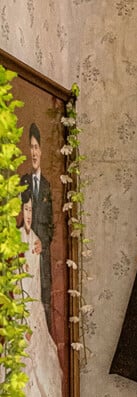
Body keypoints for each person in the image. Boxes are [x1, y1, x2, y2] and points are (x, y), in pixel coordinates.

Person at [1, 190, 64, 397]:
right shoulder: (15, 242)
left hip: (34, 306)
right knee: (22, 368)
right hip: (22, 309)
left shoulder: (35, 240)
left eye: (30, 211)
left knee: (42, 360)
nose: (28, 215)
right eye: (24, 210)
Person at [21, 122, 54, 330]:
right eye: (30, 148)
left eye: (36, 148)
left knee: (44, 303)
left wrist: (44, 243)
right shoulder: (23, 181)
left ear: (41, 151)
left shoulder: (47, 187)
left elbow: (51, 225)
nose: (33, 152)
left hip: (42, 256)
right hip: (26, 254)